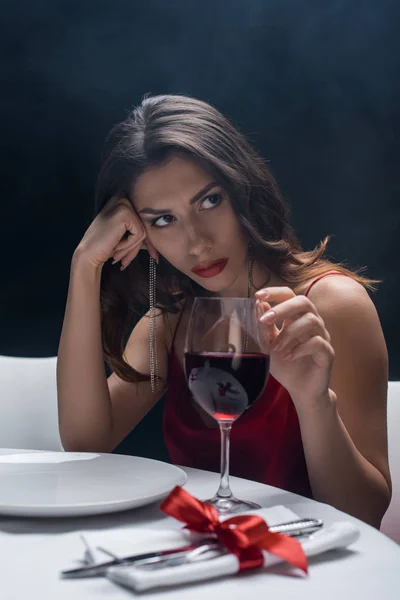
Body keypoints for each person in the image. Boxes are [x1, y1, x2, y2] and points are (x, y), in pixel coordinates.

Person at [57, 94, 391, 528]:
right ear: (142, 235)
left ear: (242, 192)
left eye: (209, 201)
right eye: (163, 220)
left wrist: (313, 403)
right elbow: (86, 444)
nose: (197, 242)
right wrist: (85, 264)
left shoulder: (331, 305)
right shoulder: (170, 322)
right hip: (208, 563)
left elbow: (364, 515)